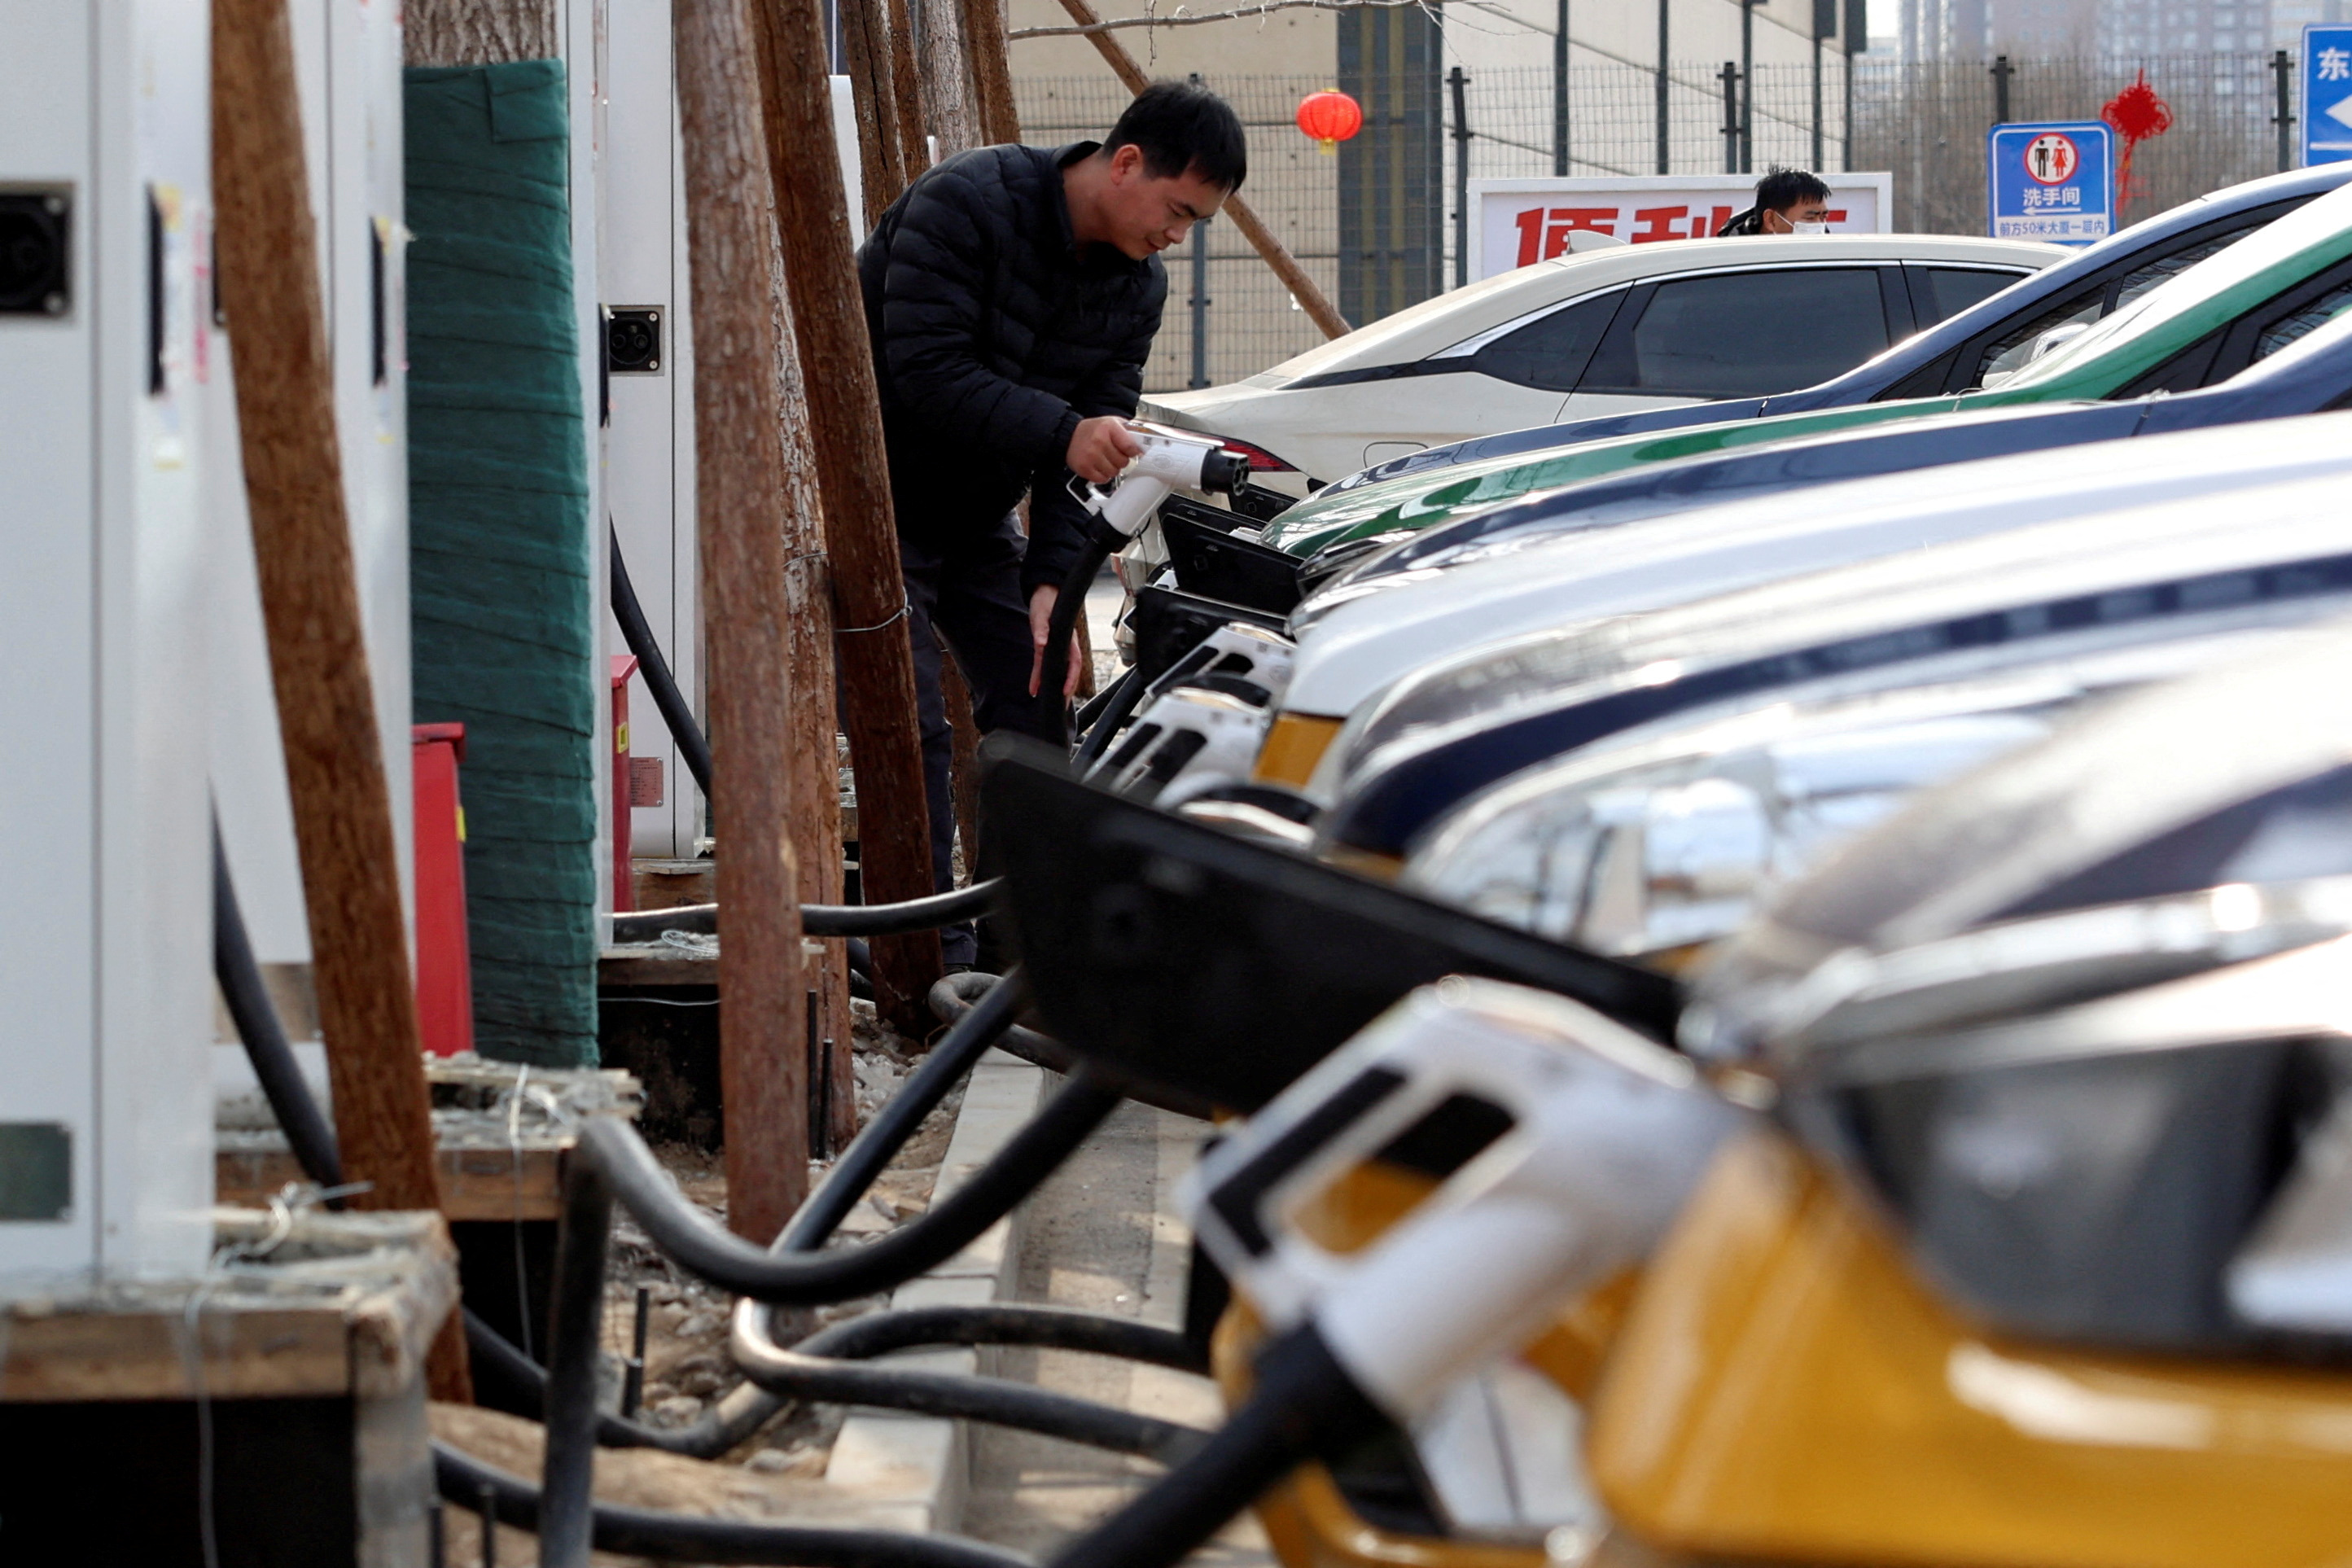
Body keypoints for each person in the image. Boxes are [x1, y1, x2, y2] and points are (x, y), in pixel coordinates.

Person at [857, 80, 1248, 966]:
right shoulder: (968, 200)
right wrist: (1065, 433)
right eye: (1178, 211)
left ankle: (1012, 948)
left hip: (975, 515)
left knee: (1038, 702)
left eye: (1196, 225)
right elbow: (925, 370)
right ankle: (923, 963)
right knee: (911, 725)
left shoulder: (1135, 290)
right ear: (1125, 163)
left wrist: (1051, 584)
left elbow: (1097, 452)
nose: (1177, 239)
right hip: (871, 504)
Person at [1717, 167, 1832, 236]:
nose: (1819, 226)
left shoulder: (1831, 260)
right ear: (1771, 220)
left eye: (1823, 218)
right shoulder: (1729, 263)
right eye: (1810, 218)